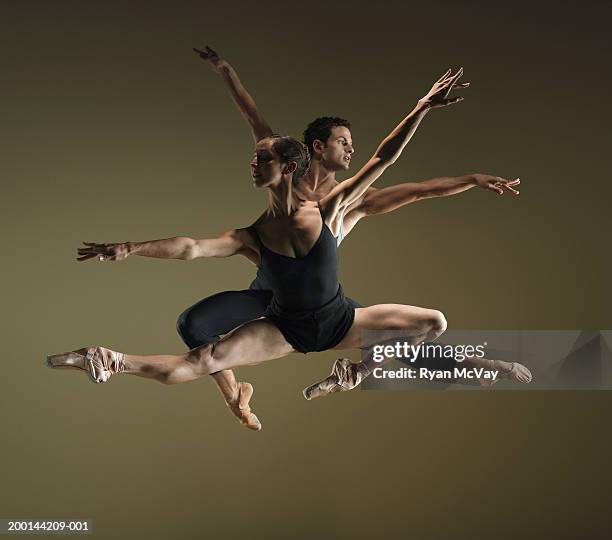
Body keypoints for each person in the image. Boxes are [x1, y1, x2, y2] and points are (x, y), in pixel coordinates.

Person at [50, 70, 525, 430]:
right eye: (256, 161)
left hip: (338, 319)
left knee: (432, 324)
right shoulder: (252, 235)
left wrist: (422, 109)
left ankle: (362, 374)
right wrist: (131, 247)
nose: (254, 165)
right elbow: (191, 247)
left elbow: (387, 160)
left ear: (287, 165)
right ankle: (109, 359)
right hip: (286, 325)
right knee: (200, 357)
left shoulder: (334, 208)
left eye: (263, 161)